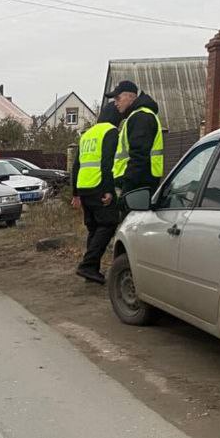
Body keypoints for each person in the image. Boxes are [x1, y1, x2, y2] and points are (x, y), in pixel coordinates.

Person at [70, 102, 121, 284]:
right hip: (99, 186)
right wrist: (109, 190)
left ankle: (91, 272)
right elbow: (108, 162)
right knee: (108, 224)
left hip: (84, 187)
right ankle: (88, 266)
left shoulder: (87, 134)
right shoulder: (111, 131)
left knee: (94, 229)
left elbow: (76, 165)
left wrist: (75, 193)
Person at [105, 79, 164, 199]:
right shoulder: (135, 117)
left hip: (137, 187)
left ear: (130, 96)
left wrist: (127, 190)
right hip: (135, 186)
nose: (115, 103)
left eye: (118, 98)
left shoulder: (141, 117)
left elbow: (138, 158)